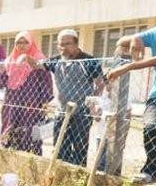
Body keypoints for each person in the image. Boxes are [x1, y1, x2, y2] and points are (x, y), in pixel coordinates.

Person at [22, 29, 103, 166]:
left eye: (67, 44)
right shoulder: (56, 61)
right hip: (61, 111)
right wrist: (25, 57)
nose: (63, 48)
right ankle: (60, 172)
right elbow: (37, 65)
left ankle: (77, 174)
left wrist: (93, 102)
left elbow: (100, 83)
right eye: (60, 44)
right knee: (60, 145)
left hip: (82, 112)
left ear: (76, 44)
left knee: (80, 147)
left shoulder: (89, 61)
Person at [108, 26, 156, 183]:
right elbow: (120, 41)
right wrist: (135, 38)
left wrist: (129, 66)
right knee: (151, 127)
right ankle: (151, 170)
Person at [0, 31, 53, 155]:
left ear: (31, 43)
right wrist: (1, 71)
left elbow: (46, 82)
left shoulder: (39, 59)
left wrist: (43, 103)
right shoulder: (10, 60)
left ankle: (31, 158)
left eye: (25, 42)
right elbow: (2, 84)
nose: (21, 45)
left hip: (31, 102)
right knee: (10, 127)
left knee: (31, 130)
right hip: (12, 101)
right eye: (18, 42)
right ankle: (10, 154)